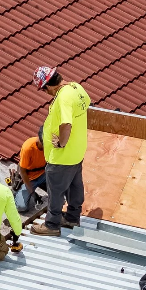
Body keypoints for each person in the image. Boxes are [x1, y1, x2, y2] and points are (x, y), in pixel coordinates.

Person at [30, 66, 90, 236]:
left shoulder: (63, 97)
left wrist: (62, 143)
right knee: (75, 185)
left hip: (62, 156)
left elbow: (66, 124)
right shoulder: (76, 87)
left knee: (55, 191)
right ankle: (72, 218)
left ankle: (51, 225)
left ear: (48, 86)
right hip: (77, 151)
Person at [15, 127, 47, 212]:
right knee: (21, 207)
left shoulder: (52, 145)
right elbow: (22, 172)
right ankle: (17, 192)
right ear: (40, 140)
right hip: (29, 178)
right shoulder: (28, 148)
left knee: (60, 193)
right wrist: (33, 194)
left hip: (44, 174)